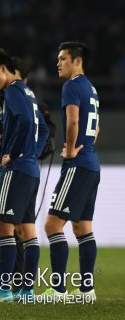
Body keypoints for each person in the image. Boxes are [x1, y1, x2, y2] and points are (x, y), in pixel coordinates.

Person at [0, 49, 48, 303]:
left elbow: (26, 122)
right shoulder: (28, 92)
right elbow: (44, 128)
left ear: (4, 69)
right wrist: (33, 153)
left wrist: (14, 154)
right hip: (30, 170)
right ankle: (26, 290)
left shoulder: (13, 92)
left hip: (16, 170)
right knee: (27, 230)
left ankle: (4, 288)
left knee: (2, 228)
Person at [39, 42, 100, 302]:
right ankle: (87, 290)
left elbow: (74, 120)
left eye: (63, 58)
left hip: (77, 165)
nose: (58, 63)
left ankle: (59, 289)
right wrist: (84, 147)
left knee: (52, 225)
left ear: (77, 61)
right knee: (82, 227)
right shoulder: (92, 89)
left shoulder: (72, 86)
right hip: (92, 164)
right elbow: (96, 130)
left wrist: (72, 149)